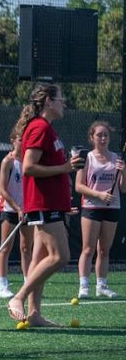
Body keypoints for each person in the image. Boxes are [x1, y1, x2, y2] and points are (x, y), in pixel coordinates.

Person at [7, 83, 85, 326]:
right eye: (61, 98)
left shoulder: (46, 128)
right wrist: (65, 168)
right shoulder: (39, 127)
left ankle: (35, 314)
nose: (64, 103)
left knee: (39, 258)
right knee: (60, 256)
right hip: (43, 204)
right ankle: (17, 297)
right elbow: (28, 167)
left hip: (49, 204)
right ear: (49, 101)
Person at [75, 120, 123, 299]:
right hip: (91, 207)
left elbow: (123, 188)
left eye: (106, 135)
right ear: (92, 137)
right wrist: (99, 195)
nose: (103, 138)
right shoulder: (87, 157)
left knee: (104, 249)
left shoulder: (117, 158)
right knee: (88, 249)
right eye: (99, 135)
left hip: (112, 207)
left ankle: (102, 285)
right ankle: (84, 286)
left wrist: (123, 172)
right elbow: (79, 186)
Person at [0, 133, 33, 299]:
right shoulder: (8, 161)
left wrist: (26, 207)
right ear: (12, 141)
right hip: (9, 210)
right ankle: (3, 286)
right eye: (20, 139)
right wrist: (18, 208)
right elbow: (3, 190)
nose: (23, 142)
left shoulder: (29, 161)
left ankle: (28, 283)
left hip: (27, 210)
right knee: (5, 248)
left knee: (26, 248)